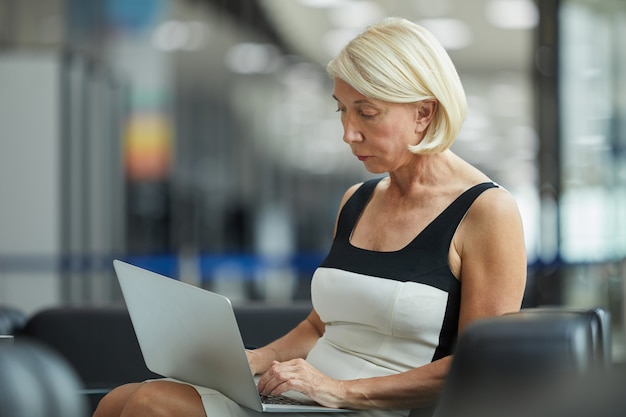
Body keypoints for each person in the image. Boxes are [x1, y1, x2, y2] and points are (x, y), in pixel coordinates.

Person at [93, 17, 527, 417]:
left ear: (424, 113)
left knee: (153, 404)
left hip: (365, 406)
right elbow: (319, 326)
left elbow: (481, 365)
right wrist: (255, 359)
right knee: (118, 402)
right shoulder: (358, 199)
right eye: (342, 109)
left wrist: (337, 390)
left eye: (367, 112)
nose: (348, 133)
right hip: (307, 398)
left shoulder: (487, 211)